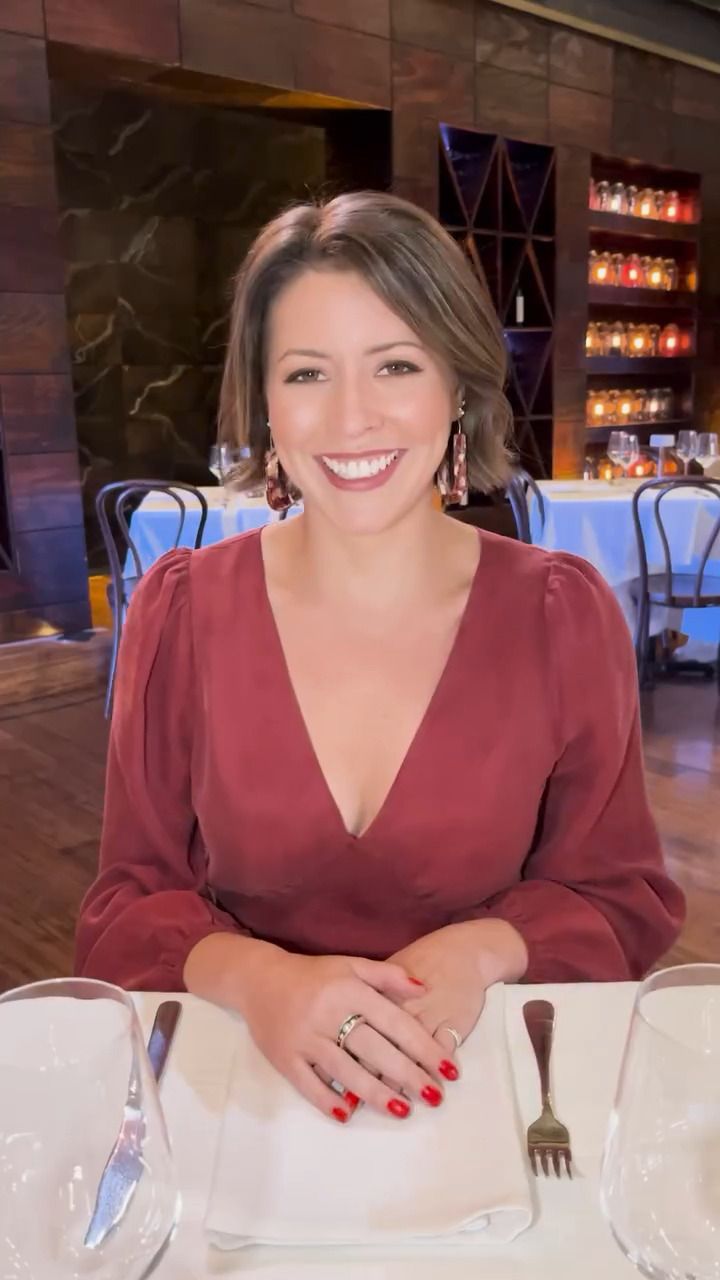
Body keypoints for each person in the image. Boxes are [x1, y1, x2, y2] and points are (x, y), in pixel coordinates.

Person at [76, 191, 684, 1126]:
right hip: (244, 1096)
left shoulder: (562, 614)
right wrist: (259, 979)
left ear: (459, 388)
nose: (352, 417)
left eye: (396, 364)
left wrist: (486, 948)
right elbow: (127, 900)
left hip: (484, 1092)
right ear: (265, 403)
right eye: (307, 374)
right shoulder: (182, 610)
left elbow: (618, 895)